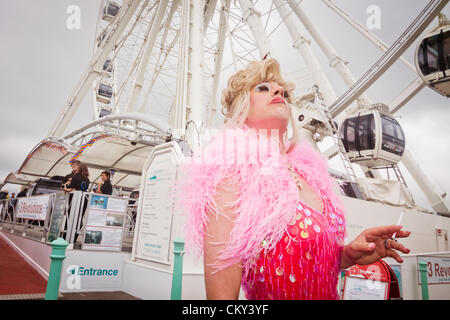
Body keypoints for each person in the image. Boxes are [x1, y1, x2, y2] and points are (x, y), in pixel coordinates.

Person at [176, 58, 411, 300]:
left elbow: (306, 259)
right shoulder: (231, 174)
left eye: (284, 92)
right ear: (241, 106)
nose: (279, 91)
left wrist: (347, 256)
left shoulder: (311, 175)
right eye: (263, 88)